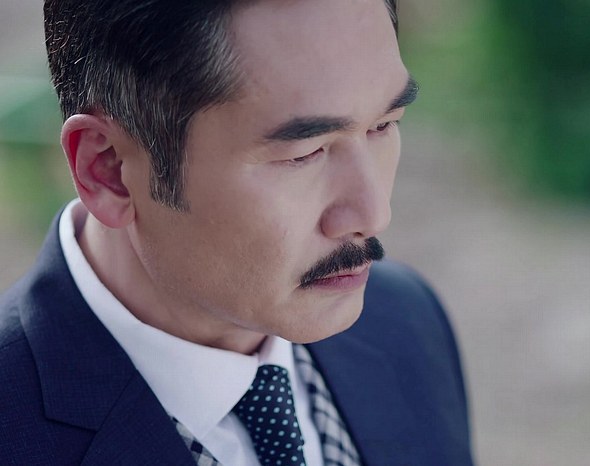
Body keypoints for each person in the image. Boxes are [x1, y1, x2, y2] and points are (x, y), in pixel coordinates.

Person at [0, 0, 474, 464]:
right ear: (108, 169)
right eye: (304, 153)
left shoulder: (406, 322)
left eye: (384, 125)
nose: (374, 214)